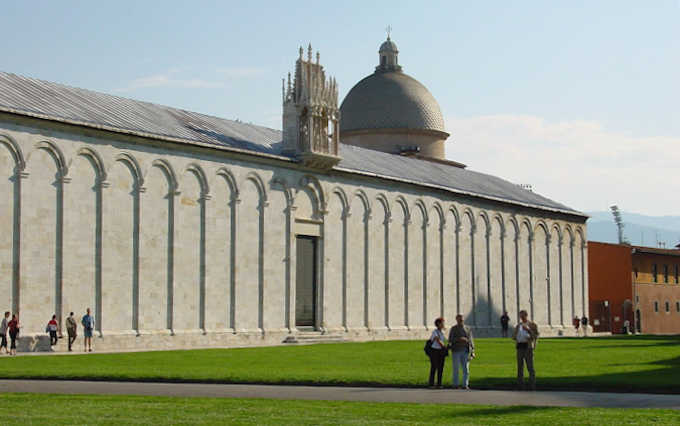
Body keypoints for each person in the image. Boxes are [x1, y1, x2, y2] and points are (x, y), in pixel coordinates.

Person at [512, 309, 539, 390]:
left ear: (526, 315)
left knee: (530, 367)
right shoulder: (518, 325)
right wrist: (515, 336)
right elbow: (514, 336)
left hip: (528, 347)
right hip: (519, 347)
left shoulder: (532, 325)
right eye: (520, 316)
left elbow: (536, 336)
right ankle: (520, 385)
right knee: (520, 367)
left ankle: (532, 384)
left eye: (523, 316)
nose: (521, 317)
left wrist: (528, 331)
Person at [448, 314, 474, 389]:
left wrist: (473, 351)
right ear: (456, 320)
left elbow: (471, 340)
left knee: (466, 369)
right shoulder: (454, 329)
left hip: (466, 351)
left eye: (462, 320)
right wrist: (459, 339)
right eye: (459, 320)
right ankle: (455, 384)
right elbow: (450, 340)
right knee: (456, 369)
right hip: (456, 351)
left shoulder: (468, 328)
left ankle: (465, 384)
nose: (461, 321)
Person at [427, 317, 448, 388]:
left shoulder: (442, 332)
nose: (444, 324)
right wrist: (444, 347)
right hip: (434, 351)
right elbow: (438, 340)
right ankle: (431, 384)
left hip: (440, 351)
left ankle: (439, 384)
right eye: (442, 323)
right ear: (438, 324)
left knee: (441, 368)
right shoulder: (435, 332)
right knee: (434, 367)